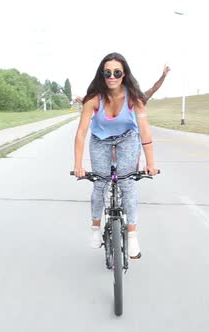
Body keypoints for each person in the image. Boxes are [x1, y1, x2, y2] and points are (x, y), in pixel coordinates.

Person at [73, 52, 159, 259]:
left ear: (124, 74)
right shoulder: (93, 99)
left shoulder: (134, 98)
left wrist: (151, 163)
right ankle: (95, 229)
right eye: (107, 72)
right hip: (100, 140)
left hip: (127, 138)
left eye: (117, 72)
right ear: (102, 75)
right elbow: (81, 133)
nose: (112, 76)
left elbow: (145, 131)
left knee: (127, 182)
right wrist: (78, 165)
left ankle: (132, 237)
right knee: (100, 184)